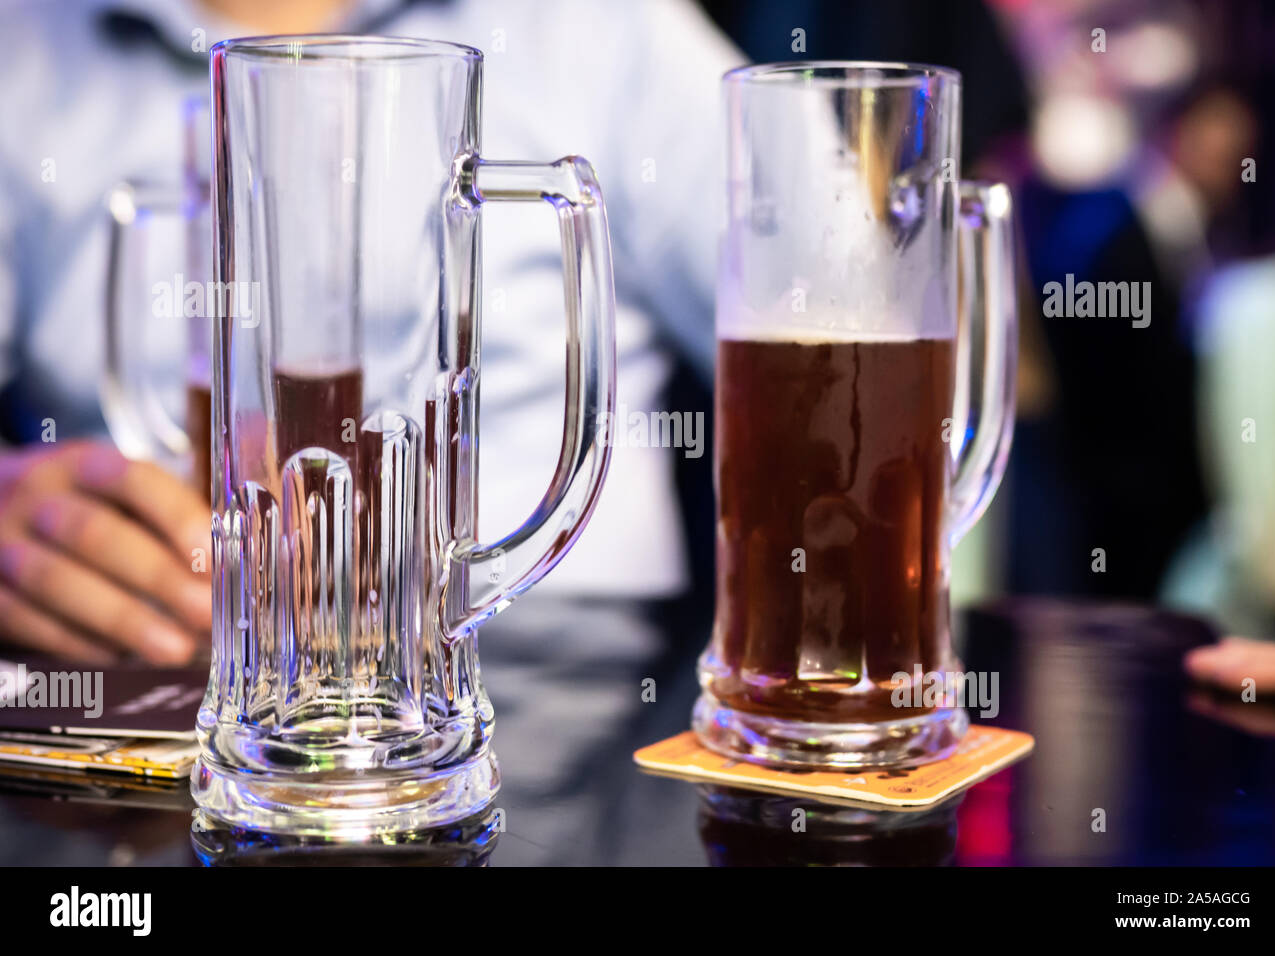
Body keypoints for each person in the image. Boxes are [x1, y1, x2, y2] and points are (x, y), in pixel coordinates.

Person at [0, 0, 740, 662]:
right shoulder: (22, 42)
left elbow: (828, 317)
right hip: (168, 667)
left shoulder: (607, 25)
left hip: (567, 683)